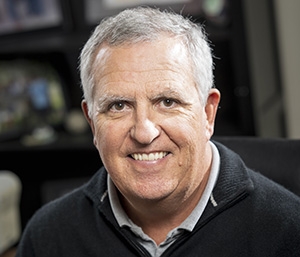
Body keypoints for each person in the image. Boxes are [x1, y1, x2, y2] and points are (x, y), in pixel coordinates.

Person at [16, 7, 300, 257]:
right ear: (92, 122)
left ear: (207, 113)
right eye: (118, 106)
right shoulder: (48, 236)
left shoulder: (287, 232)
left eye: (167, 102)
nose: (143, 132)